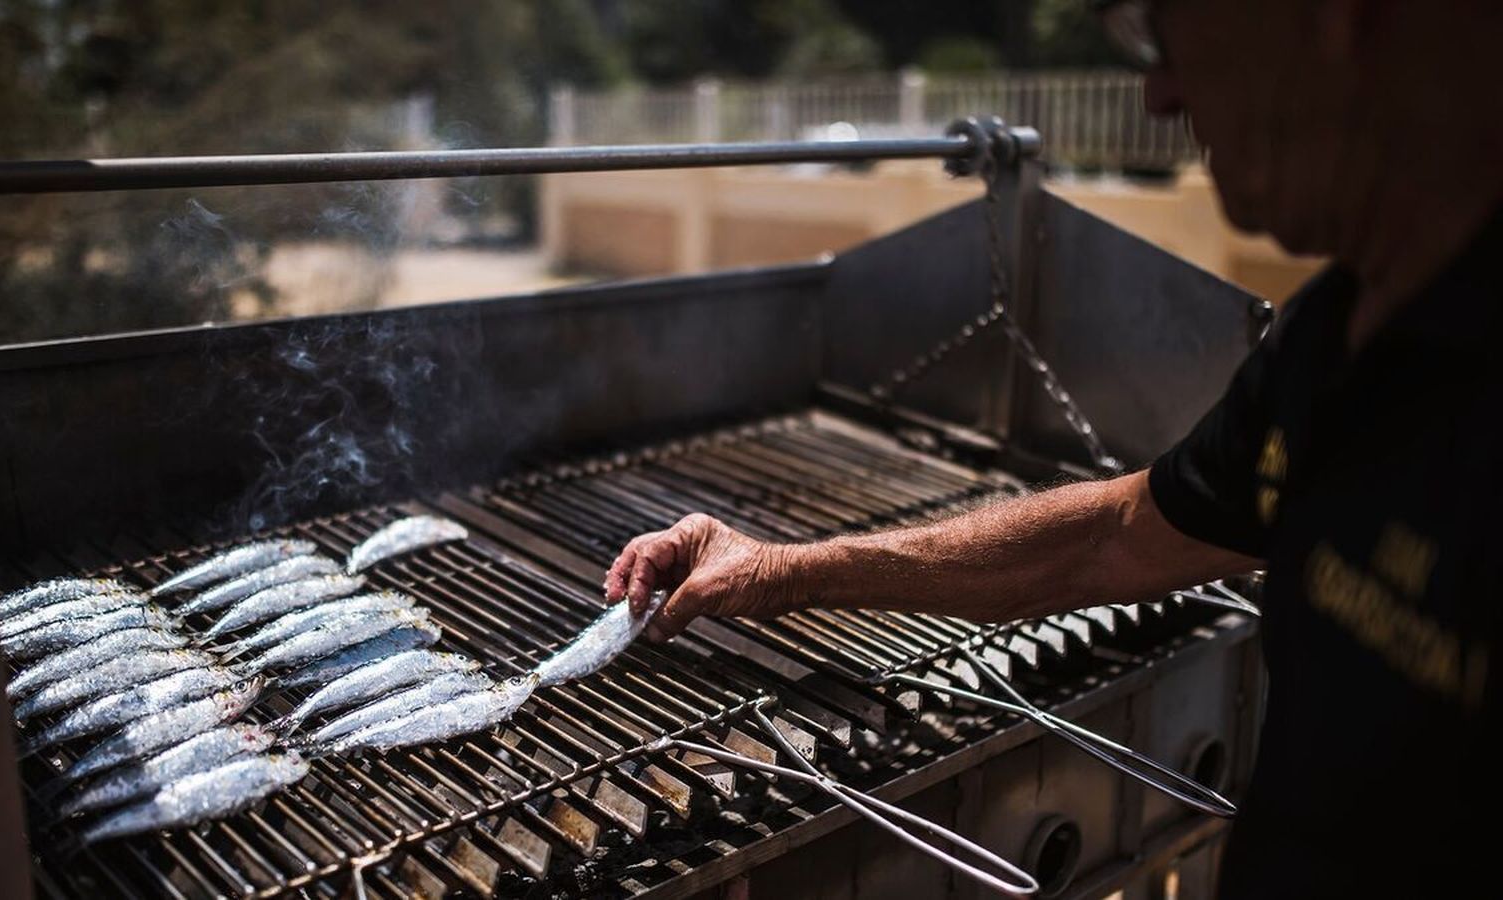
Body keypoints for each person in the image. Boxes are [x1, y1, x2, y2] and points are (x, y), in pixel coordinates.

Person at [602, 1, 1502, 896]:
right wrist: (778, 572)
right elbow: (1112, 534)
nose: (1158, 96)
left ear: (1332, 20)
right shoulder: (1328, 344)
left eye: (1171, 34)